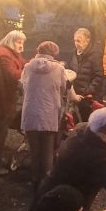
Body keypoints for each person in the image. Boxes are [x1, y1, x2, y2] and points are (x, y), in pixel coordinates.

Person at [20, 40, 67, 194]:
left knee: (34, 151)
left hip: (31, 113)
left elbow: (22, 85)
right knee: (48, 151)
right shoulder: (59, 69)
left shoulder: (28, 67)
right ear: (54, 53)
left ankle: (34, 182)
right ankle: (46, 184)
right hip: (49, 113)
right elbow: (63, 87)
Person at [0, 30, 26, 171]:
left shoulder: (9, 52)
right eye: (19, 42)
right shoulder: (4, 55)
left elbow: (22, 64)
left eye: (22, 42)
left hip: (1, 96)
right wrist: (31, 70)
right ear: (11, 41)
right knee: (0, 129)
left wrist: (33, 64)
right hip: (1, 98)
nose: (21, 45)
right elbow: (12, 76)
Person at [68, 28, 102, 98]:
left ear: (87, 41)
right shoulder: (73, 53)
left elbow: (99, 76)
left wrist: (89, 91)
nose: (76, 43)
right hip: (75, 94)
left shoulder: (95, 55)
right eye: (75, 41)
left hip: (87, 96)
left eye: (79, 41)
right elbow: (70, 69)